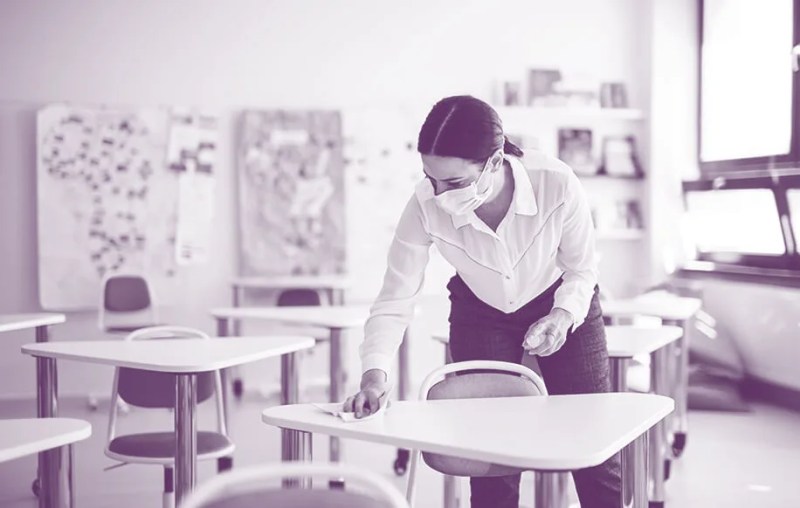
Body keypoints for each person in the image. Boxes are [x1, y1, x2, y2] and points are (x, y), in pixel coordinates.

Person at [343, 95, 620, 508]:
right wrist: (374, 374)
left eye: (453, 183)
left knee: (593, 445)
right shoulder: (423, 206)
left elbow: (582, 269)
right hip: (480, 312)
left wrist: (562, 317)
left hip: (560, 302)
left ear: (494, 162)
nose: (438, 195)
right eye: (430, 178)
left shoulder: (556, 183)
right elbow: (395, 298)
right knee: (489, 456)